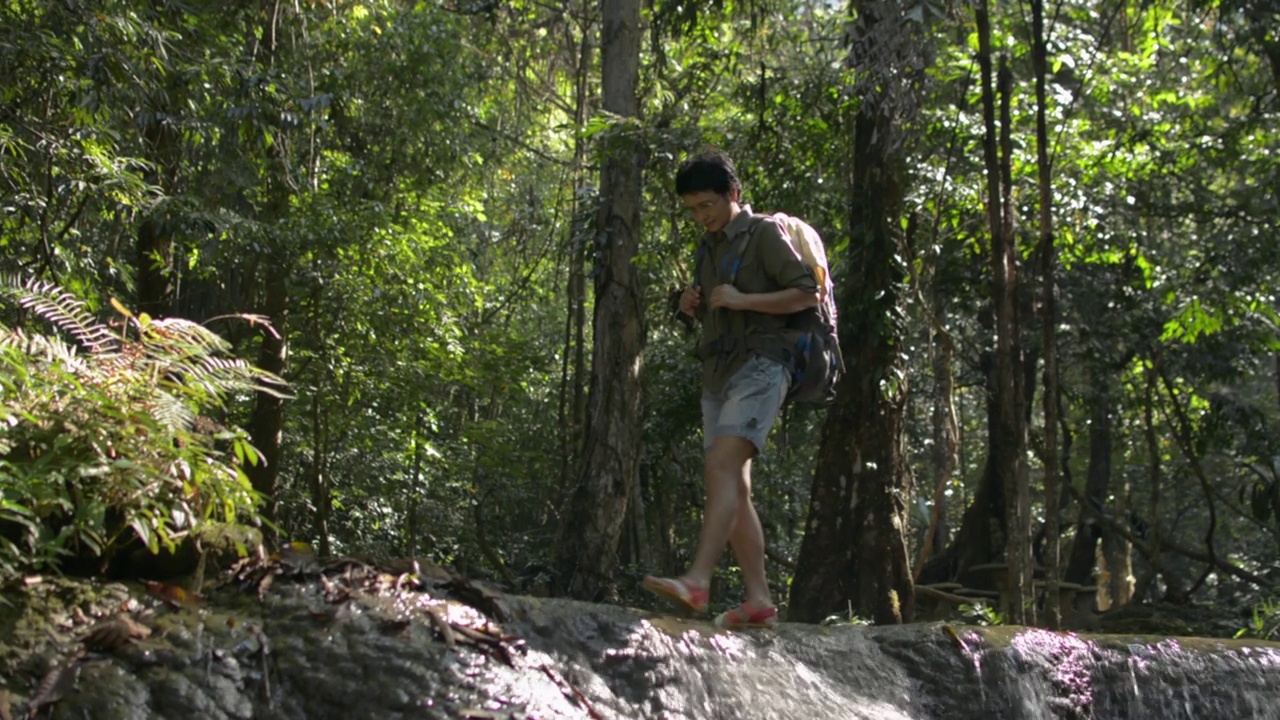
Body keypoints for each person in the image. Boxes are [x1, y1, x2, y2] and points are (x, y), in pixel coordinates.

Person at [642, 150, 818, 629]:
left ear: (733, 194)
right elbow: (716, 307)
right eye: (692, 210)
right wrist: (691, 304)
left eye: (707, 206)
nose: (702, 217)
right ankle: (758, 599)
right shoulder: (708, 247)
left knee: (721, 464)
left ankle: (698, 580)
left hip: (765, 362)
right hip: (719, 370)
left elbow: (807, 293)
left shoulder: (763, 233)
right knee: (732, 484)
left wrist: (744, 300)